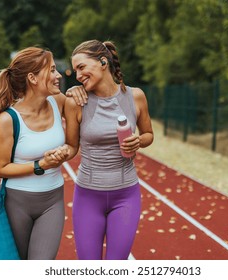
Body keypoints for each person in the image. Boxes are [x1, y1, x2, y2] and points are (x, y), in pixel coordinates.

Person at [0, 46, 84, 260]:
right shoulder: (8, 119)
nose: (58, 76)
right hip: (17, 203)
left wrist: (64, 153)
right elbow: (0, 168)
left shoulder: (58, 103)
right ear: (33, 78)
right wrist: (40, 165)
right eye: (52, 70)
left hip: (53, 201)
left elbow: (73, 146)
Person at [63, 39, 154, 260]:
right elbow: (72, 146)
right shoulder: (77, 101)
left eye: (82, 67)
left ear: (103, 62)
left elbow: (149, 135)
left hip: (126, 196)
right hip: (87, 196)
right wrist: (50, 157)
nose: (78, 75)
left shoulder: (136, 96)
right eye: (75, 70)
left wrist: (139, 141)